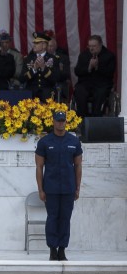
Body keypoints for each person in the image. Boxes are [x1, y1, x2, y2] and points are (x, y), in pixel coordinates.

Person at [35, 111, 83, 261]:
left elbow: (78, 166)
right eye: (58, 120)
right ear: (53, 122)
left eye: (62, 121)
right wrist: (41, 189)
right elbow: (39, 167)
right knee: (52, 218)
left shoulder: (74, 141)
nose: (60, 123)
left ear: (66, 122)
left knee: (65, 219)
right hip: (51, 188)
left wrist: (77, 188)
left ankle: (62, 249)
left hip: (68, 187)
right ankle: (52, 249)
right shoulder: (45, 142)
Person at [74, 34, 116, 117]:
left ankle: (96, 118)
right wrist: (89, 67)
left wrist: (97, 67)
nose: (91, 48)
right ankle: (82, 118)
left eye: (94, 46)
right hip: (85, 83)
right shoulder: (84, 55)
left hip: (102, 84)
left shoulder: (109, 56)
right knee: (79, 91)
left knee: (100, 93)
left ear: (100, 45)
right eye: (89, 46)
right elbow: (77, 71)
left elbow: (110, 73)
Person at [20, 32, 60, 102]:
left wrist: (43, 68)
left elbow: (55, 80)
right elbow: (21, 79)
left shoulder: (53, 59)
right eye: (34, 43)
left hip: (47, 90)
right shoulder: (28, 59)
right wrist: (34, 69)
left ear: (44, 45)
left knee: (48, 95)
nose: (34, 45)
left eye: (37, 43)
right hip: (31, 90)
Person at [47, 37, 71, 102]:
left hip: (59, 82)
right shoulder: (42, 57)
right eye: (48, 46)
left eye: (51, 46)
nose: (49, 48)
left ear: (55, 47)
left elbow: (66, 74)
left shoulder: (63, 58)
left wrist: (59, 70)